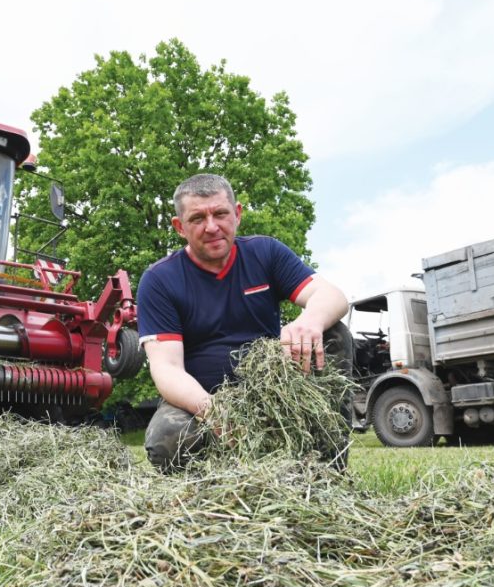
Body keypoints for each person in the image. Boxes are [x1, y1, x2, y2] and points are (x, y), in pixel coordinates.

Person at [137, 173, 350, 472]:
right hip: (202, 397)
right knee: (167, 440)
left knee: (334, 333)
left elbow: (332, 295)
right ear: (179, 227)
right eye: (198, 218)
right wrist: (214, 412)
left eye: (220, 213)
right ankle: (205, 496)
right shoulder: (159, 280)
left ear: (236, 214)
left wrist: (309, 321)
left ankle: (330, 468)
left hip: (274, 389)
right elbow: (166, 369)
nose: (212, 227)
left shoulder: (265, 253)